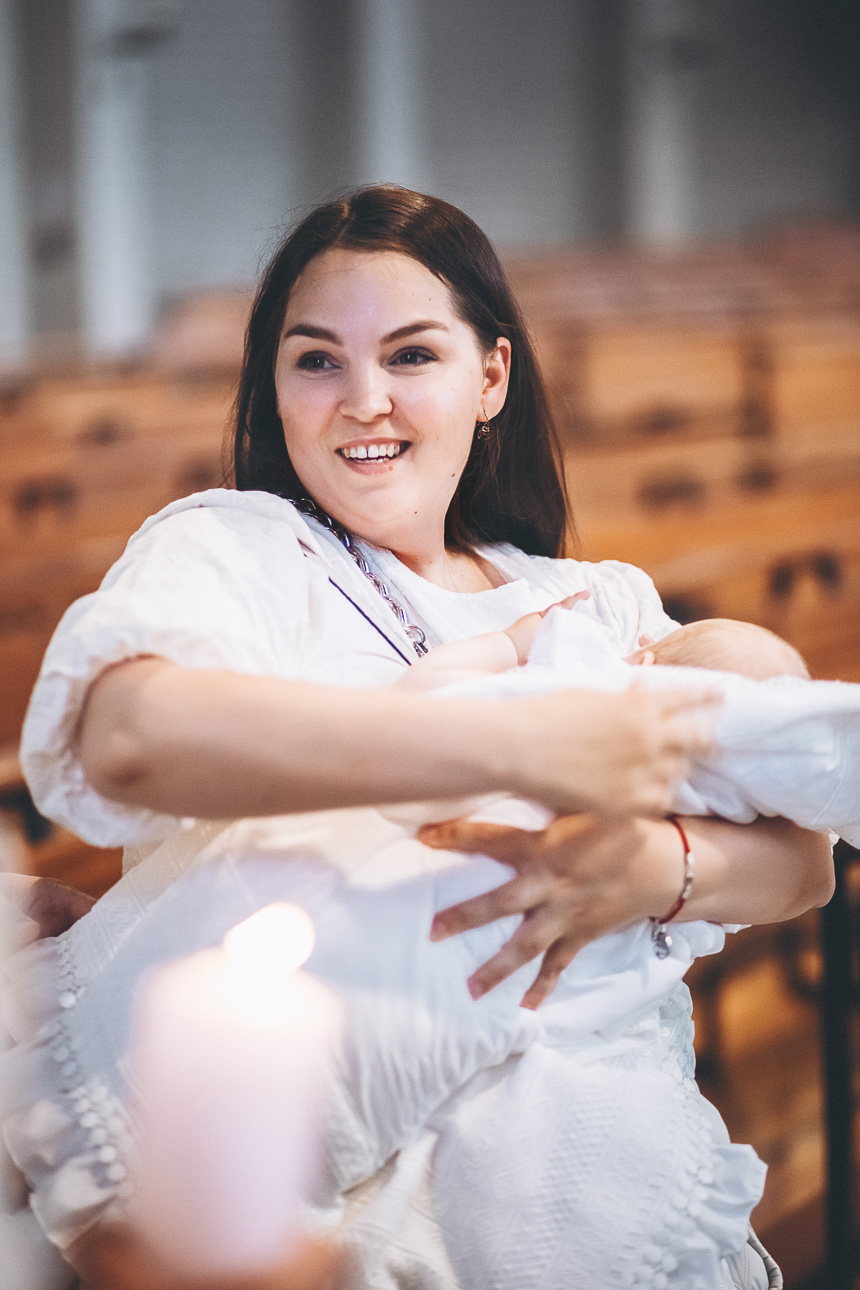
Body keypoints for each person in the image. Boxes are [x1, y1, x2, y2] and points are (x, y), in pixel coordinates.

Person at [1, 186, 832, 1290]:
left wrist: (652, 868)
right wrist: (514, 749)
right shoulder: (234, 549)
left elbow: (802, 866)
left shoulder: (596, 603)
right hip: (319, 1189)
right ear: (273, 389)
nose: (363, 401)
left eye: (410, 355)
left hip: (600, 1149)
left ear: (490, 377)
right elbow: (127, 739)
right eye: (316, 360)